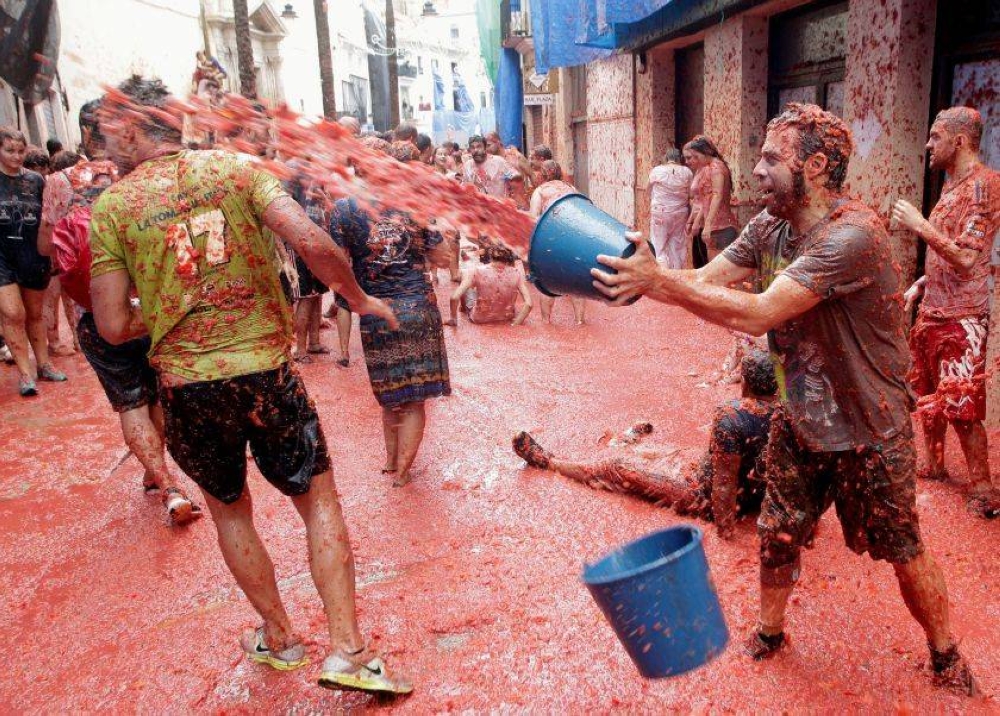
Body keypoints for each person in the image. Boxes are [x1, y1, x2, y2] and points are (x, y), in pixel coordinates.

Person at [590, 103, 976, 694]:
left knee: (904, 549)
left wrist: (659, 282)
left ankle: (946, 655)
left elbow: (763, 310)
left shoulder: (854, 235)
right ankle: (770, 634)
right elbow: (704, 281)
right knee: (777, 532)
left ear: (816, 166)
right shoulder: (769, 225)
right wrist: (640, 278)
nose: (754, 170)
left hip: (871, 426)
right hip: (800, 418)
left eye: (771, 158)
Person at [89, 76, 411, 694]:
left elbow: (109, 323)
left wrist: (171, 311)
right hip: (267, 372)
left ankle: (280, 638)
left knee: (231, 513)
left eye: (108, 131)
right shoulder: (237, 171)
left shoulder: (113, 208)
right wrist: (360, 298)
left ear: (134, 128)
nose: (104, 143)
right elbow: (313, 242)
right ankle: (347, 650)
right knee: (318, 503)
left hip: (189, 386)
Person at [36, 113, 199, 524]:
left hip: (96, 315)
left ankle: (167, 485)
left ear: (85, 133)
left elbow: (45, 248)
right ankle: (156, 472)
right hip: (153, 307)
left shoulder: (61, 181)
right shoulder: (141, 177)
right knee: (157, 395)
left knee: (131, 402)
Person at [514, 350, 777, 537]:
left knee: (614, 467)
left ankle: (549, 462)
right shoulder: (788, 414)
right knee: (670, 454)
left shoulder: (730, 416)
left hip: (705, 497)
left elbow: (723, 485)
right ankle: (630, 441)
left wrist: (726, 531)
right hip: (754, 500)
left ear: (743, 382)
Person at [892, 107, 1000, 518]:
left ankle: (981, 484)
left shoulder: (985, 187)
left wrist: (919, 225)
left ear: (959, 141)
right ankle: (935, 463)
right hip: (934, 307)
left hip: (963, 316)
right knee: (927, 393)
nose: (928, 144)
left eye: (935, 137)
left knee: (963, 402)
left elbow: (968, 259)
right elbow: (944, 253)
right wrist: (921, 283)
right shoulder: (951, 186)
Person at [330, 140, 454, 488]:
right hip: (417, 307)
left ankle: (390, 461)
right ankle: (402, 472)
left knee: (389, 392)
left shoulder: (342, 209)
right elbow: (442, 256)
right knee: (414, 399)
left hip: (375, 310)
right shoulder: (413, 205)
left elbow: (339, 265)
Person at [0, 126, 67, 396]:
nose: (16, 156)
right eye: (9, 151)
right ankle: (25, 374)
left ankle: (44, 364)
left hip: (32, 254)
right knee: (13, 313)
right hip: (1, 256)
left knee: (35, 314)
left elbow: (47, 219)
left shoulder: (36, 181)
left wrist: (51, 252)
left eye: (20, 151)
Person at [529, 160, 586, 325]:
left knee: (547, 281)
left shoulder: (540, 191)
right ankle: (580, 321)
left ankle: (546, 322)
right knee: (576, 282)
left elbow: (533, 219)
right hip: (573, 240)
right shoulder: (571, 189)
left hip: (550, 240)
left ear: (542, 174)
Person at [684, 135, 739, 264]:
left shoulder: (716, 168)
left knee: (717, 273)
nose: (696, 161)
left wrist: (707, 224)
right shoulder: (712, 167)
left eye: (697, 157)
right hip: (718, 226)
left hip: (721, 226)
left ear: (706, 152)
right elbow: (706, 199)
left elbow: (717, 195)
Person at [448, 244, 532, 327]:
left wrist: (453, 318)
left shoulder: (477, 271)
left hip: (479, 318)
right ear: (509, 258)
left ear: (490, 255)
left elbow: (454, 297)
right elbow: (529, 304)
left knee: (465, 275)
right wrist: (515, 324)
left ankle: (462, 309)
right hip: (506, 317)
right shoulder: (517, 273)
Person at [649, 148, 694, 269]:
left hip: (660, 211)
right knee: (677, 246)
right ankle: (676, 276)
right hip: (680, 213)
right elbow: (691, 194)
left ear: (666, 157)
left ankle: (661, 273)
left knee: (659, 245)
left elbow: (648, 189)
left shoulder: (657, 170)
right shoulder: (687, 172)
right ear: (680, 158)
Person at [463, 134, 519, 199]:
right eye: (472, 147)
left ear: (485, 148)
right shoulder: (467, 166)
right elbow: (465, 188)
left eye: (479, 146)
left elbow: (515, 176)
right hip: (478, 207)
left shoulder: (498, 161)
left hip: (498, 206)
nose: (475, 150)